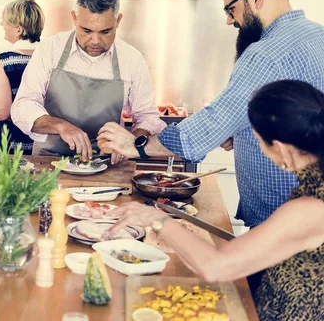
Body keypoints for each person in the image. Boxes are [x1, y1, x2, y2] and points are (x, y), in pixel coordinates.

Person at [97, 0, 324, 230]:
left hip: (281, 222)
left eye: (231, 9)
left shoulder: (264, 54)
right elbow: (300, 116)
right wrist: (240, 129)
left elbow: (203, 130)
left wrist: (137, 146)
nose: (230, 20)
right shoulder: (317, 35)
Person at [105, 80, 324, 321]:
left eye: (257, 141)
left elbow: (217, 266)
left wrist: (158, 219)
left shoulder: (309, 209)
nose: (258, 149)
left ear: (281, 149)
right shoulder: (312, 186)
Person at [11, 0, 165, 163]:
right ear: (74, 18)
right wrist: (60, 126)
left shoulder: (132, 59)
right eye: (86, 30)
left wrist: (131, 143)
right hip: (50, 163)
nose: (95, 40)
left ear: (118, 20)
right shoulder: (50, 49)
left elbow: (147, 116)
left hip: (108, 164)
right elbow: (23, 106)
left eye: (105, 31)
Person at [0, 0, 44, 155]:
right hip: (42, 145)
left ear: (19, 30)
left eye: (5, 21)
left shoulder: (4, 61)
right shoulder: (50, 57)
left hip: (13, 145)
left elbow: (2, 111)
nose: (2, 25)